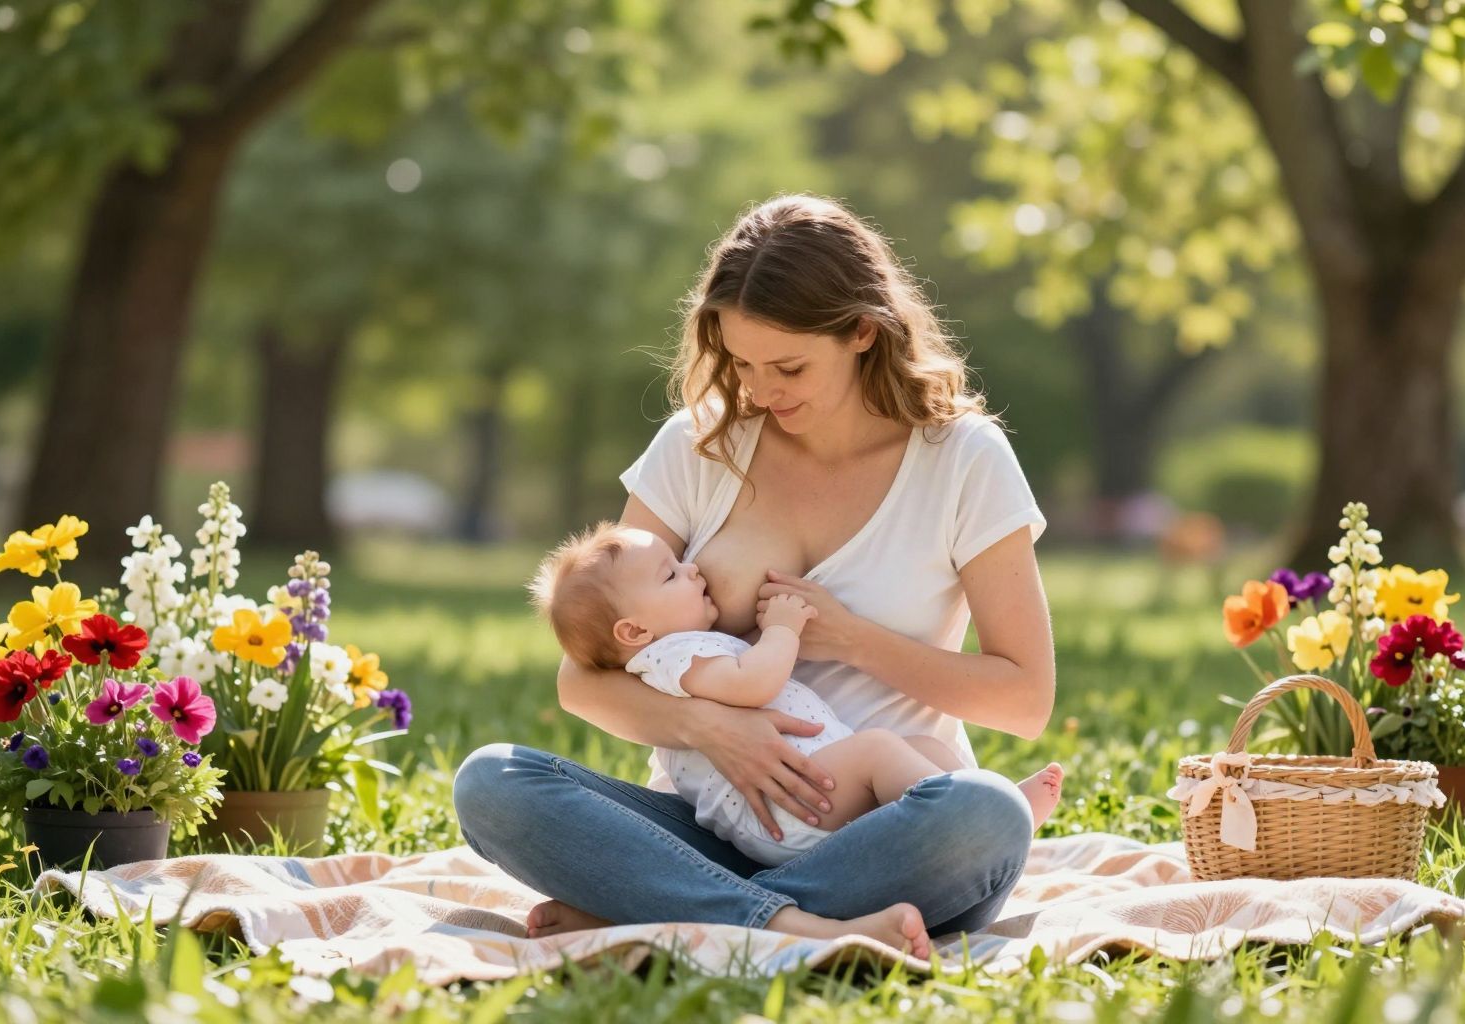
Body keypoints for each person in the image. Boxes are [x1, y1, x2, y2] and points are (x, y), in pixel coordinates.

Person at [454, 194, 1056, 958]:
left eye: (790, 366)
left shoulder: (963, 460)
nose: (762, 390)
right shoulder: (697, 447)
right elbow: (584, 679)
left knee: (989, 817)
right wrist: (714, 728)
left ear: (864, 331)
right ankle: (792, 926)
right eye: (742, 363)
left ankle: (663, 913)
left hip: (889, 835)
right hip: (710, 827)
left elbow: (1024, 698)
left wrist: (851, 639)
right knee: (492, 783)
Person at [526, 520, 1064, 874]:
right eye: (672, 574)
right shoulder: (674, 657)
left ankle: (980, 804)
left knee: (924, 746)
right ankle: (971, 816)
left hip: (803, 793)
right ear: (633, 632)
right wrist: (782, 628)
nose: (692, 568)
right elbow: (752, 683)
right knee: (880, 750)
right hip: (785, 805)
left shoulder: (684, 647)